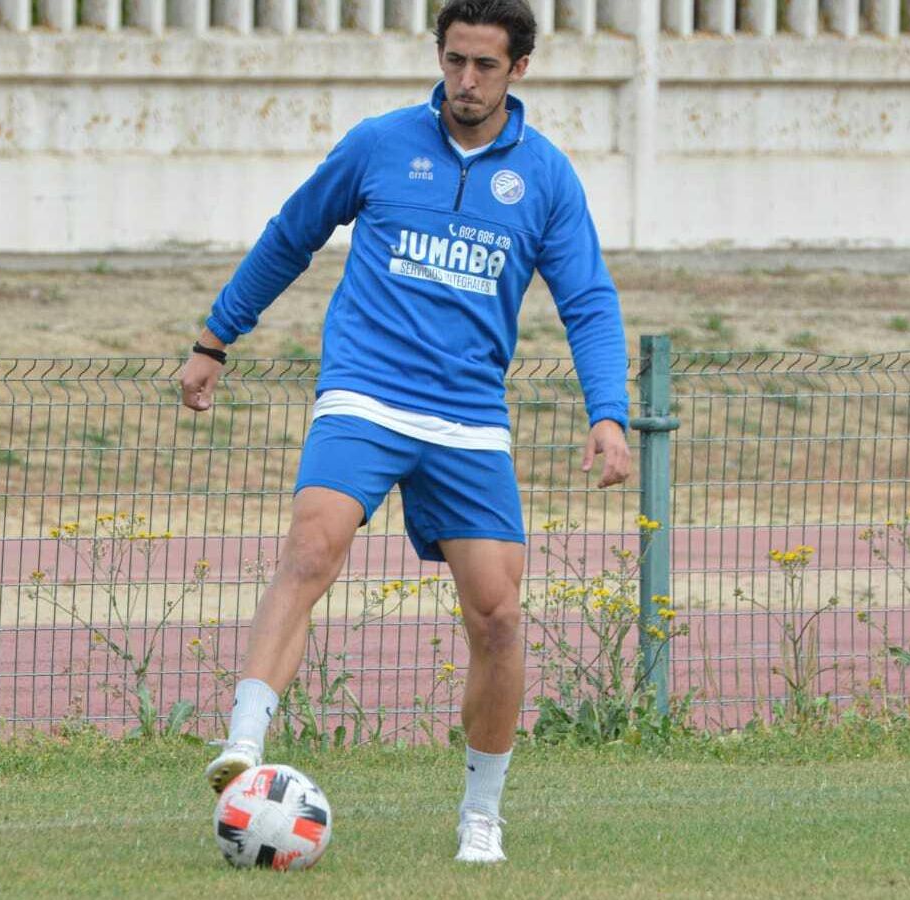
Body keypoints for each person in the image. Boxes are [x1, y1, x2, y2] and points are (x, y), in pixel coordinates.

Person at [179, 0, 631, 864]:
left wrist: (605, 413)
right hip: (367, 390)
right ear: (439, 55)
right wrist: (215, 338)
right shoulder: (377, 145)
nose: (466, 80)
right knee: (312, 547)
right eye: (454, 60)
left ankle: (481, 816)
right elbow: (289, 238)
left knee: (497, 616)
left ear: (519, 71)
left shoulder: (545, 178)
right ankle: (244, 743)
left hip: (468, 416)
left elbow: (588, 302)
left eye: (485, 66)